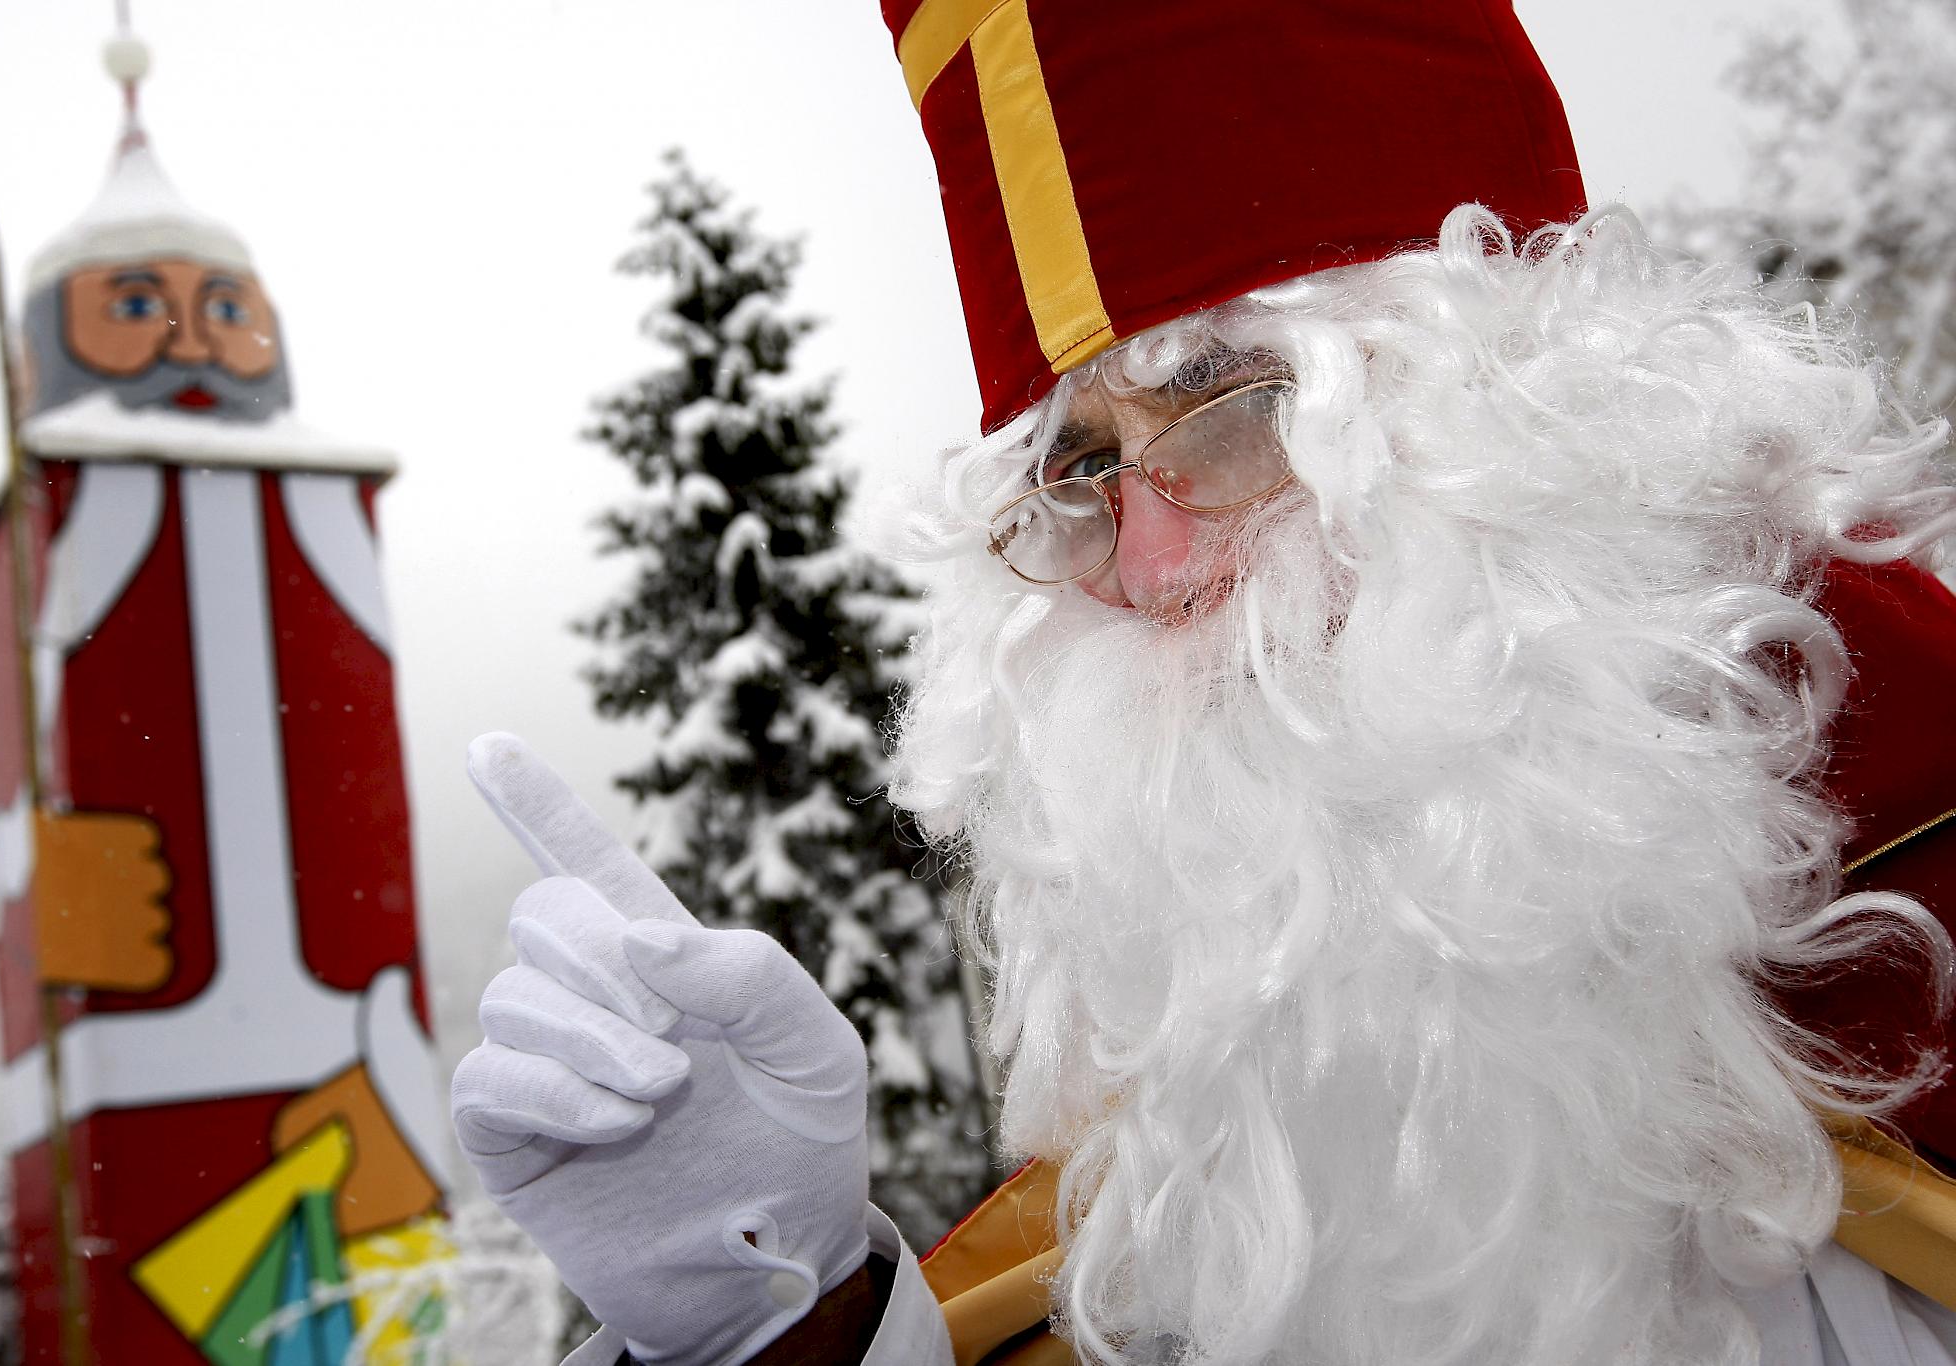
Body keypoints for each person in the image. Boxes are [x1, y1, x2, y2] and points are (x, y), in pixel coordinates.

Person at [451, 3, 1956, 1363]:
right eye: (1081, 470)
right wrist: (783, 1317)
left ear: (1538, 425)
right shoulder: (1215, 1132)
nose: (1155, 565)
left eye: (1226, 411)